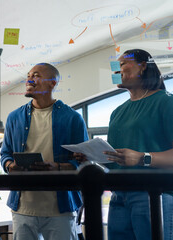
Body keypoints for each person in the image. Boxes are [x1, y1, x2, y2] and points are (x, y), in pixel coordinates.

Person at [77, 49, 173, 240]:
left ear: (143, 66)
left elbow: (136, 157)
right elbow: (116, 160)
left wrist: (141, 158)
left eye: (121, 65)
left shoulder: (166, 102)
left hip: (153, 195)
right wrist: (93, 158)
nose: (116, 70)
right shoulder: (117, 112)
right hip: (118, 196)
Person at [0, 63, 88, 240]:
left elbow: (83, 162)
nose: (29, 79)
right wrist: (10, 166)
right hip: (22, 207)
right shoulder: (14, 117)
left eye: (36, 75)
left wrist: (57, 167)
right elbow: (5, 154)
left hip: (61, 209)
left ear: (52, 84)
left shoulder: (72, 118)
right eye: (28, 75)